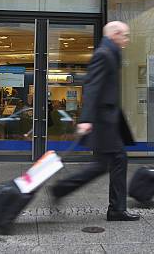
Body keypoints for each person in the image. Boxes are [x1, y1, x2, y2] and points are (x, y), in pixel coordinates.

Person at [51, 21, 138, 221]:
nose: (127, 39)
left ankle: (114, 208)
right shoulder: (103, 54)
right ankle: (63, 189)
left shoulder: (111, 53)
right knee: (111, 161)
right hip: (103, 121)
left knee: (109, 162)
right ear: (115, 34)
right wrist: (86, 119)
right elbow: (91, 87)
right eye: (125, 35)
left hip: (108, 119)